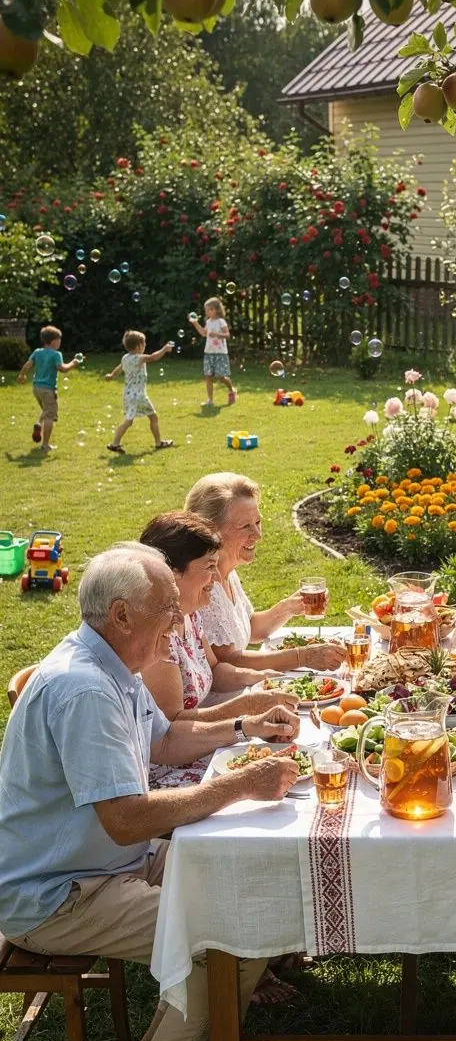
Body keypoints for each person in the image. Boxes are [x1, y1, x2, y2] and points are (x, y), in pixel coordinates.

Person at [0, 543, 302, 1041]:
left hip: (107, 863)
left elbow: (163, 741)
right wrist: (238, 785)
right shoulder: (85, 690)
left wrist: (243, 727)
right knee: (229, 934)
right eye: (169, 609)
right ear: (121, 614)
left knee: (254, 889)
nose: (183, 620)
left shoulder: (110, 664)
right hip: (58, 893)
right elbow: (126, 819)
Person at [138, 511, 301, 788]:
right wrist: (247, 708)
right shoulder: (157, 635)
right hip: (170, 771)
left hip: (205, 748)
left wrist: (261, 679)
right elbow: (172, 728)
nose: (216, 577)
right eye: (209, 566)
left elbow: (215, 669)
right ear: (171, 573)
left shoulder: (189, 615)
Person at [185, 471, 345, 674]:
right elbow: (229, 661)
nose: (258, 535)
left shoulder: (227, 571)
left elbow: (249, 628)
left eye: (258, 523)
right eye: (245, 526)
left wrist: (288, 608)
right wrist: (302, 657)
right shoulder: (203, 584)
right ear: (211, 531)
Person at [105, 331, 175, 453]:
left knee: (130, 420)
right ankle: (158, 443)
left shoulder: (125, 358)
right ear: (138, 346)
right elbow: (153, 357)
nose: (145, 345)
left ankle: (115, 444)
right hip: (139, 396)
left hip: (128, 395)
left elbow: (119, 368)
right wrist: (164, 349)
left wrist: (111, 375)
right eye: (144, 343)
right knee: (152, 418)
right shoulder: (139, 358)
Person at [16, 324, 82, 452]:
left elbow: (28, 364)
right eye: (59, 340)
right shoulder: (56, 354)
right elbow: (62, 369)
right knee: (50, 415)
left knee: (46, 409)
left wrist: (22, 375)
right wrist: (74, 362)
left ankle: (38, 424)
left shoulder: (37, 352)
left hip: (36, 388)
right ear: (53, 341)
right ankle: (45, 444)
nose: (60, 342)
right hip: (48, 389)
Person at [189, 296, 237, 407]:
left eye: (209, 309)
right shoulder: (208, 322)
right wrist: (195, 323)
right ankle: (210, 400)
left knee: (221, 376)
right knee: (208, 376)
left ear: (217, 310)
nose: (206, 312)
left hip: (220, 354)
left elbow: (227, 335)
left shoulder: (221, 321)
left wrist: (217, 334)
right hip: (209, 353)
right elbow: (203, 333)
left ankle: (231, 390)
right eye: (206, 309)